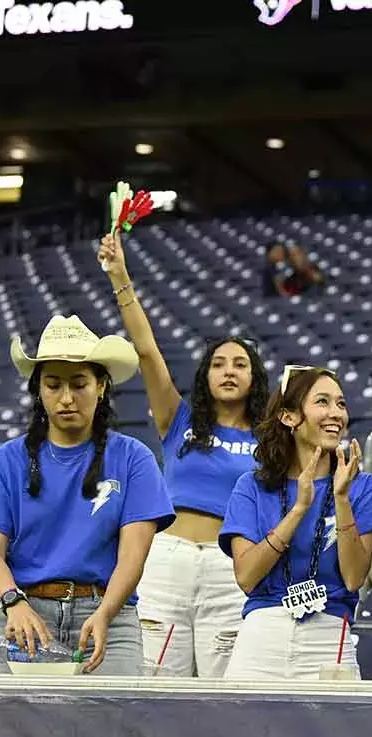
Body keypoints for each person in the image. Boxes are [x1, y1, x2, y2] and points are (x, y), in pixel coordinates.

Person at [0, 315, 176, 675]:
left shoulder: (133, 458)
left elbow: (131, 558)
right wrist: (13, 602)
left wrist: (105, 612)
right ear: (39, 390)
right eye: (53, 385)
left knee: (113, 727)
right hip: (21, 610)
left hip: (108, 611)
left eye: (79, 384)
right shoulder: (6, 461)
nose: (66, 398)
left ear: (102, 386)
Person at [99, 233, 268, 677]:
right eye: (218, 363)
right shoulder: (179, 418)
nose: (228, 371)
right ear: (205, 375)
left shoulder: (272, 439)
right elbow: (147, 351)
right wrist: (120, 277)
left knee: (224, 691)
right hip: (166, 559)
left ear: (256, 377)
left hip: (230, 565)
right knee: (155, 684)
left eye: (240, 364)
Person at [220, 366, 372, 680]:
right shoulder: (252, 486)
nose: (335, 414)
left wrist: (341, 499)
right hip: (263, 631)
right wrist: (299, 508)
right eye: (322, 402)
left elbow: (354, 578)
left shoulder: (362, 487)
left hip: (330, 633)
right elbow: (246, 577)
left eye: (341, 404)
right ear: (289, 417)